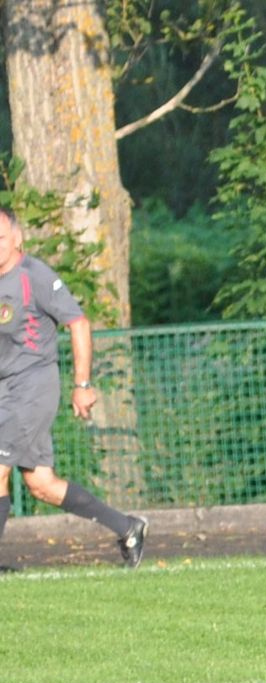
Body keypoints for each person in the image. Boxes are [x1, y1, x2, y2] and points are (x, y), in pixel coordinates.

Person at [0, 206, 147, 567]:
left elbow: (78, 323)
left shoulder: (34, 276)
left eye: (0, 237)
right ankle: (128, 527)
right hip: (7, 391)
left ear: (18, 238)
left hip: (32, 388)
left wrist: (83, 383)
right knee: (42, 485)